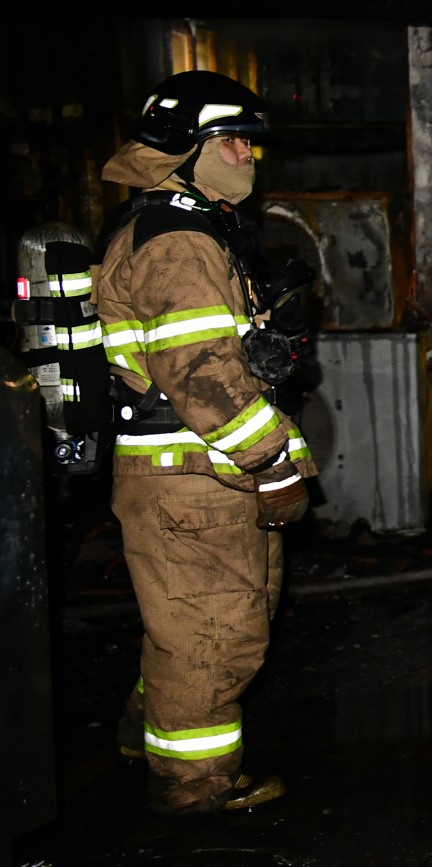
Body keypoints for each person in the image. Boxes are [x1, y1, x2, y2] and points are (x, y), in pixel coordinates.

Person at [96, 70, 315, 816]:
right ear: (183, 148)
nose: (248, 157)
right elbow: (201, 375)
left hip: (196, 474)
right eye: (232, 142)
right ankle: (195, 788)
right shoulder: (179, 241)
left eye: (251, 144)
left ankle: (147, 731)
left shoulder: (184, 228)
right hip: (193, 475)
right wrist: (271, 460)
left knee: (199, 621)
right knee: (212, 636)